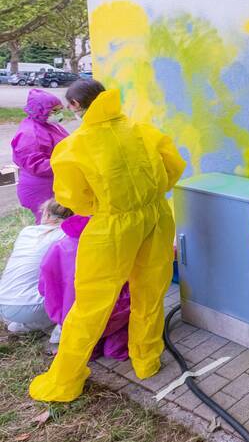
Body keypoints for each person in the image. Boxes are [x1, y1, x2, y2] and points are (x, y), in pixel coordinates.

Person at [28, 79, 185, 403]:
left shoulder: (74, 146)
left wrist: (104, 207)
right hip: (156, 216)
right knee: (150, 292)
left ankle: (66, 379)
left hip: (111, 227)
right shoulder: (143, 131)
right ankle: (146, 360)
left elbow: (72, 198)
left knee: (90, 303)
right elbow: (174, 167)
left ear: (76, 106)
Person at [40, 215, 130, 361]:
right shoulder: (108, 244)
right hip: (108, 318)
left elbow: (43, 288)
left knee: (89, 338)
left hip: (72, 320)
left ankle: (92, 348)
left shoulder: (58, 247)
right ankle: (116, 345)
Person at [0, 199, 72, 334]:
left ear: (47, 214)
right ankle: (36, 325)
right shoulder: (66, 235)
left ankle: (20, 321)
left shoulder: (26, 231)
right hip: (30, 306)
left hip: (3, 300)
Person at [11, 90, 69, 222]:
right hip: (41, 190)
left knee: (61, 224)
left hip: (52, 184)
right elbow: (37, 166)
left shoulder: (48, 124)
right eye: (54, 111)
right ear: (40, 111)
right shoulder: (30, 134)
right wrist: (69, 161)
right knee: (50, 226)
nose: (59, 114)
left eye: (60, 109)